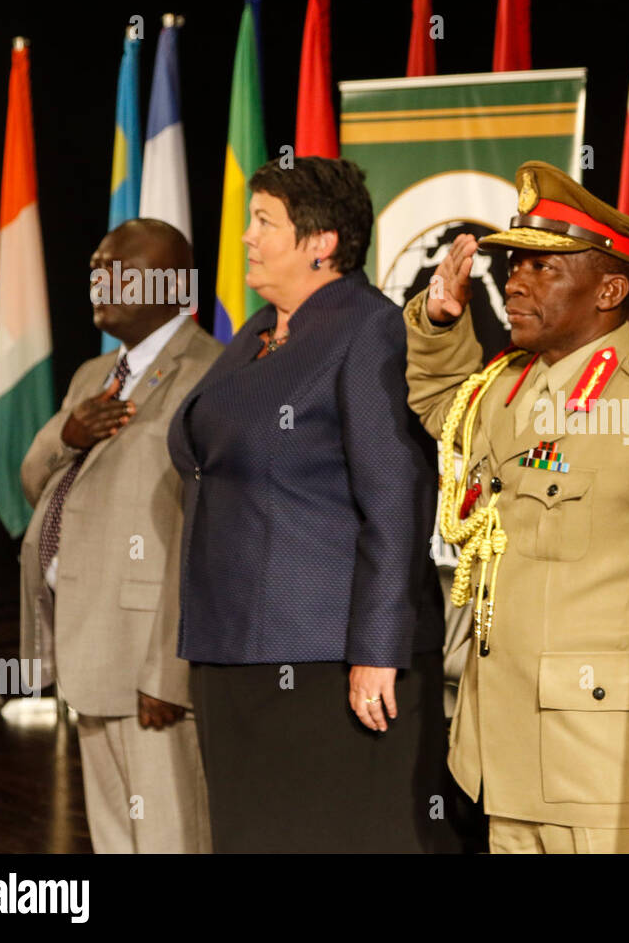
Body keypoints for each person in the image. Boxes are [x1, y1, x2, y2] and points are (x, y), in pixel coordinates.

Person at [403, 160, 629, 853]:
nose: (515, 281)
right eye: (515, 264)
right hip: (500, 758)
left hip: (603, 765)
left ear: (612, 289)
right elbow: (444, 413)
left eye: (543, 268)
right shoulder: (504, 387)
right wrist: (441, 323)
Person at [166, 157, 456, 853]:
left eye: (264, 222)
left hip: (328, 661)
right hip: (233, 648)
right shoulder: (261, 331)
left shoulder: (369, 329)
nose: (246, 238)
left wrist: (378, 651)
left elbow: (396, 499)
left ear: (321, 241)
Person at [19, 218, 220, 853]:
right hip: (90, 641)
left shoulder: (210, 374)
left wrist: (169, 671)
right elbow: (33, 482)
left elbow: (205, 537)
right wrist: (66, 435)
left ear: (171, 282)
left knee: (166, 836)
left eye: (118, 268)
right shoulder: (93, 374)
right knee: (112, 837)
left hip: (148, 660)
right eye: (96, 267)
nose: (99, 280)